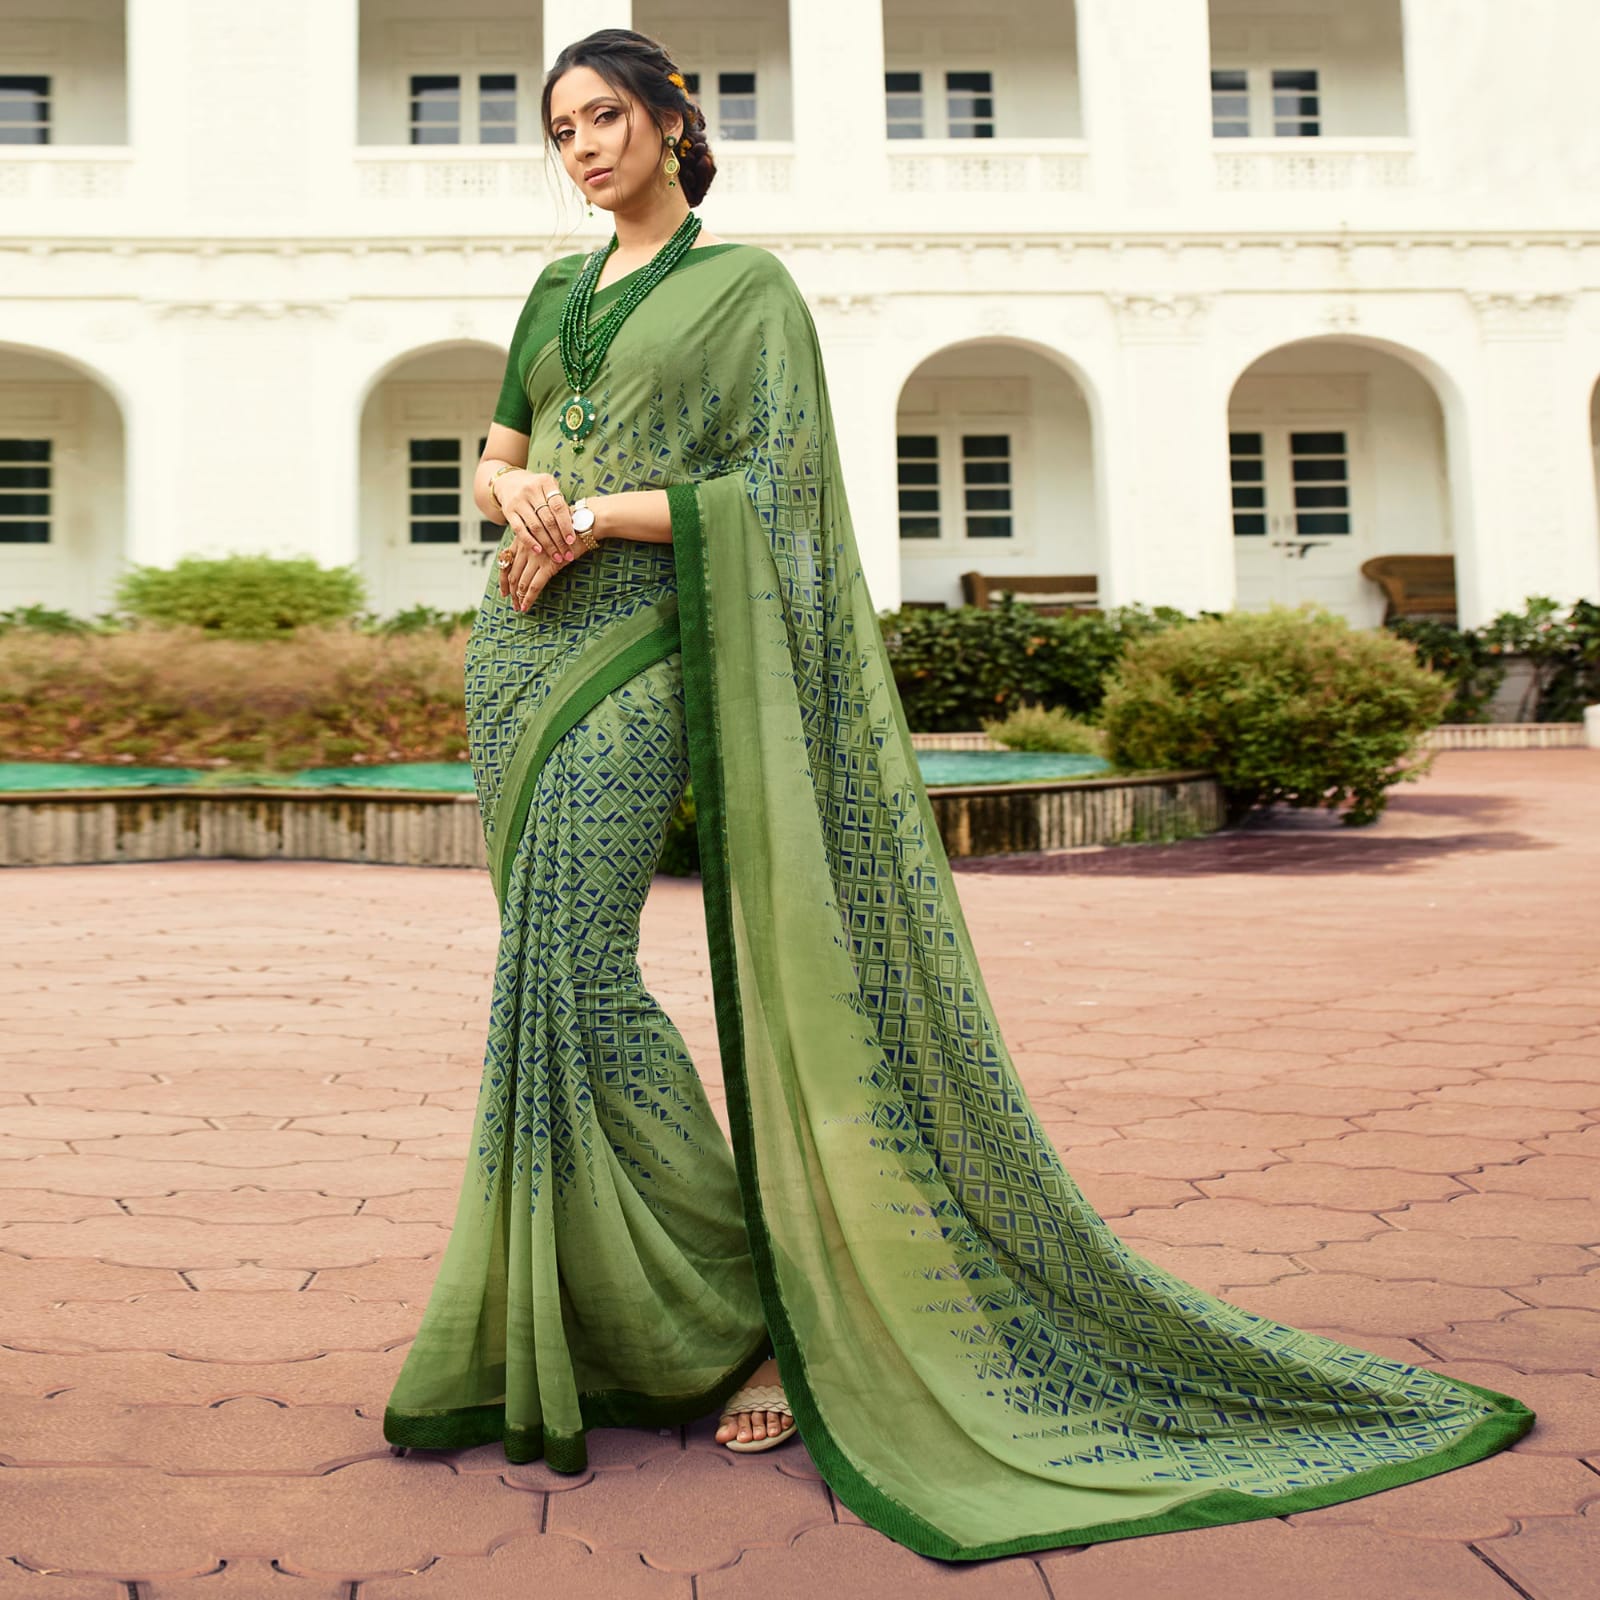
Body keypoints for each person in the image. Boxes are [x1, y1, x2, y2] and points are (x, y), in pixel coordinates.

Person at [381, 27, 1536, 1560]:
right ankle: (619, 1317)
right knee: (539, 979)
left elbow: (777, 492)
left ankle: (763, 1309)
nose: (584, 148)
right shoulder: (554, 292)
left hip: (638, 651)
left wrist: (588, 513)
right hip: (516, 655)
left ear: (669, 120)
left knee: (580, 978)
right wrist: (515, 489)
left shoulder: (748, 291)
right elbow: (495, 454)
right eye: (561, 130)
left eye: (606, 117)